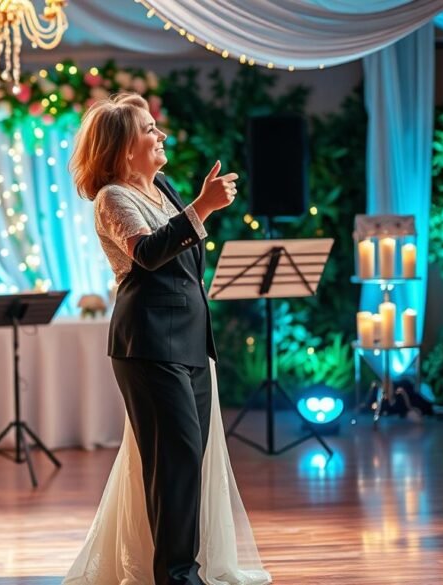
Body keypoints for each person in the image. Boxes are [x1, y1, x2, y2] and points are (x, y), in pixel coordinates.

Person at [63, 93, 272, 585]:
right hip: (148, 343)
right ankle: (177, 577)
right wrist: (204, 206)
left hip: (191, 342)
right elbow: (149, 254)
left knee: (188, 459)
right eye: (149, 129)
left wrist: (197, 206)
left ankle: (182, 569)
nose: (160, 135)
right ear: (123, 148)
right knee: (175, 461)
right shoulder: (113, 197)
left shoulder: (163, 187)